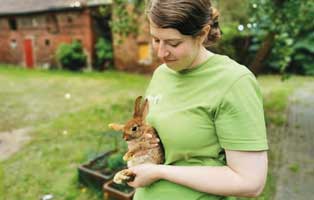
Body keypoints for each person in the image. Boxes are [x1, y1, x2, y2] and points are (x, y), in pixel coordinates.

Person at [127, 0, 269, 199]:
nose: (161, 53)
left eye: (173, 43)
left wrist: (159, 172)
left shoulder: (234, 82)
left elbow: (250, 182)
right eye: (155, 39)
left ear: (202, 34)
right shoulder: (162, 73)